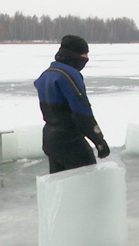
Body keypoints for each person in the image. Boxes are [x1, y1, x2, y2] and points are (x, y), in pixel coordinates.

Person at [34, 35, 110, 173]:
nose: (86, 58)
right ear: (74, 55)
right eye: (84, 54)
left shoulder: (46, 75)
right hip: (69, 142)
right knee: (86, 183)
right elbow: (82, 112)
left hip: (50, 140)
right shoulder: (69, 75)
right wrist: (99, 141)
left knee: (60, 187)